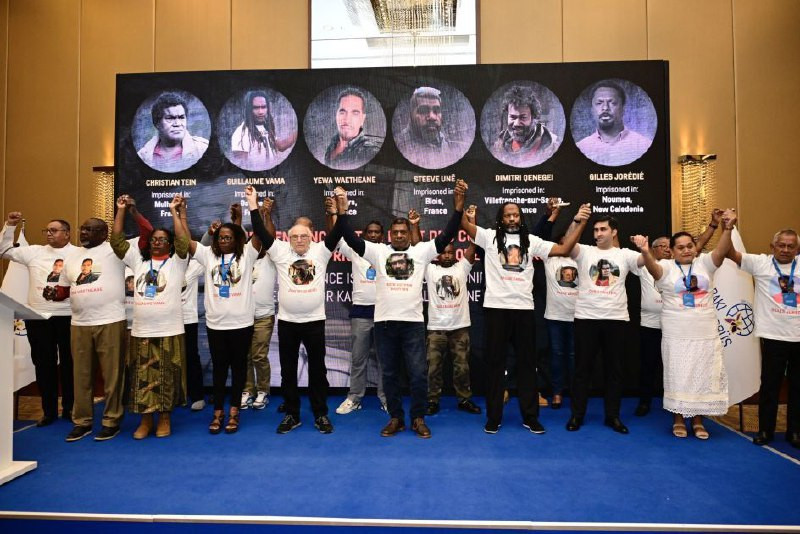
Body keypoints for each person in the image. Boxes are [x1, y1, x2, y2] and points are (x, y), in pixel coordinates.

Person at [337, 181, 467, 438]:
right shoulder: (377, 252)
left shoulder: (421, 252)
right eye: (395, 232)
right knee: (389, 374)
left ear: (408, 234)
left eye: (402, 232)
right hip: (385, 323)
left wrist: (458, 208)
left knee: (418, 374)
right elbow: (351, 238)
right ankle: (396, 418)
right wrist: (342, 212)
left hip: (412, 324)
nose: (398, 235)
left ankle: (418, 418)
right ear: (390, 234)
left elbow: (447, 235)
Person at [461, 200, 590, 434]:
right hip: (496, 309)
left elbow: (563, 250)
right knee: (495, 366)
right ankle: (493, 418)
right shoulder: (489, 237)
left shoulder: (531, 241)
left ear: (520, 218)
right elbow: (466, 226)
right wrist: (459, 203)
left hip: (523, 310)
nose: (512, 219)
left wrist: (581, 223)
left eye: (516, 215)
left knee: (528, 366)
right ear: (501, 219)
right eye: (508, 215)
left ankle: (530, 417)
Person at [245, 187, 346, 434]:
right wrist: (253, 205)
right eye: (295, 236)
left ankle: (320, 414)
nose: (299, 240)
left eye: (304, 236)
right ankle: (292, 414)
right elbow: (260, 231)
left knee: (318, 371)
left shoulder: (321, 252)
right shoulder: (280, 251)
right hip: (288, 322)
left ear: (311, 237)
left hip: (314, 322)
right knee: (288, 371)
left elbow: (339, 232)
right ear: (288, 239)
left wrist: (341, 209)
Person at [631, 209, 737, 439]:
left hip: (705, 333)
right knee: (678, 376)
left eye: (690, 246)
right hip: (676, 333)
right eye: (681, 247)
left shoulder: (705, 264)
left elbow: (721, 250)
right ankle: (678, 419)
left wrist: (727, 228)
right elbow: (652, 269)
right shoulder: (666, 267)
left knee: (702, 375)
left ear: (695, 248)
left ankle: (698, 420)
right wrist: (645, 250)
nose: (687, 250)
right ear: (672, 251)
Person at [173, 194, 261, 435]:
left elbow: (261, 235)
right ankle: (218, 412)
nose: (224, 240)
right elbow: (184, 240)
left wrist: (253, 207)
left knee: (239, 370)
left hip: (242, 324)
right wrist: (179, 213)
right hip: (216, 326)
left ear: (236, 239)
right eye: (221, 237)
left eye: (228, 237)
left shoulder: (247, 255)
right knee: (220, 371)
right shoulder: (208, 256)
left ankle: (234, 411)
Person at [110, 195, 189, 439]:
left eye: (163, 240)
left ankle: (164, 419)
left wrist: (174, 211)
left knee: (167, 376)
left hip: (169, 330)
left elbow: (184, 241)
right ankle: (145, 421)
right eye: (154, 239)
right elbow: (117, 242)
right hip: (142, 330)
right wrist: (121, 210)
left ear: (170, 244)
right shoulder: (139, 261)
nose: (157, 243)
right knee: (142, 376)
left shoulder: (177, 261)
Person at [43, 217, 127, 442]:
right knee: (80, 377)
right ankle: (82, 422)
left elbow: (146, 237)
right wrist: (54, 293)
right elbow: (65, 289)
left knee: (112, 376)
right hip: (79, 323)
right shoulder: (72, 256)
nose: (84, 232)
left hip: (110, 320)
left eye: (90, 229)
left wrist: (124, 211)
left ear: (104, 233)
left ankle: (111, 421)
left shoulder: (115, 250)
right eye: (83, 229)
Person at [566, 215, 645, 434]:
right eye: (595, 230)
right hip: (586, 318)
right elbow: (567, 244)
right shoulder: (585, 251)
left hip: (616, 320)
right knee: (582, 371)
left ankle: (613, 416)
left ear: (614, 232)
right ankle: (577, 415)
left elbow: (644, 262)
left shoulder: (624, 254)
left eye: (603, 229)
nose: (598, 233)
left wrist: (644, 248)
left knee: (614, 372)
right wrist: (577, 222)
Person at [727, 228, 800, 449]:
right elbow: (731, 254)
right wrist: (726, 228)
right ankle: (765, 430)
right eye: (781, 245)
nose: (785, 249)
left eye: (791, 246)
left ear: (797, 249)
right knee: (770, 386)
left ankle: (795, 431)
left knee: (798, 387)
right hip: (772, 335)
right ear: (772, 247)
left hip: (798, 336)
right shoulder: (761, 263)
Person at [1, 213, 75, 427]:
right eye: (47, 230)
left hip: (69, 317)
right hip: (38, 317)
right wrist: (10, 226)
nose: (49, 234)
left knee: (70, 365)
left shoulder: (78, 254)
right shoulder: (34, 252)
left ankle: (70, 409)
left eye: (54, 230)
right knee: (44, 365)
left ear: (67, 234)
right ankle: (48, 411)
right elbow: (3, 250)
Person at [327, 205, 388, 415]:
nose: (373, 235)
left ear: (382, 236)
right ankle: (354, 397)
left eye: (377, 232)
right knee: (358, 359)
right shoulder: (355, 250)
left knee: (385, 360)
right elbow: (334, 238)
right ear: (364, 235)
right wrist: (332, 215)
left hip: (384, 312)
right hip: (361, 312)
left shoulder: (387, 251)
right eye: (369, 232)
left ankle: (386, 398)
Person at [424, 208, 480, 416]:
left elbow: (473, 246)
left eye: (450, 252)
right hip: (436, 329)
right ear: (438, 254)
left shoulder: (461, 268)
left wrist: (472, 221)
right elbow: (417, 248)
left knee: (462, 368)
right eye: (443, 252)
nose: (447, 255)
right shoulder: (430, 269)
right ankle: (432, 400)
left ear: (455, 253)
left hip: (459, 328)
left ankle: (464, 399)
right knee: (433, 368)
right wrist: (414, 226)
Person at [241, 201, 277, 411]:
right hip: (243, 316)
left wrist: (266, 215)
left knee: (259, 355)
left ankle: (263, 390)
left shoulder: (270, 259)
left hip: (264, 316)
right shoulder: (244, 259)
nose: (260, 245)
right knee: (244, 355)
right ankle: (247, 390)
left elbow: (269, 236)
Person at [634, 235, 671, 417]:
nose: (667, 249)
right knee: (648, 366)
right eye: (662, 245)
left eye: (669, 246)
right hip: (649, 324)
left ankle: (673, 402)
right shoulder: (644, 266)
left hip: (674, 324)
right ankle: (644, 402)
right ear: (654, 249)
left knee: (673, 366)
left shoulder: (678, 267)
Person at [543, 232, 580, 411]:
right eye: (566, 240)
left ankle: (575, 392)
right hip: (555, 317)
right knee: (556, 355)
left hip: (578, 316)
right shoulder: (550, 259)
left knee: (574, 356)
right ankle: (557, 392)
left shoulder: (581, 259)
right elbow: (541, 235)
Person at [575, 81, 652, 166]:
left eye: (612, 103)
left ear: (623, 109)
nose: (605, 108)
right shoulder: (582, 147)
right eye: (599, 103)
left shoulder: (643, 145)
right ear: (592, 110)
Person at [394, 86, 466, 169]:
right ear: (411, 115)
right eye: (423, 110)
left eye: (436, 110)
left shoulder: (444, 142)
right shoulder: (400, 144)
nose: (432, 117)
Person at [137, 92, 209, 172]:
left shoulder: (202, 149)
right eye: (170, 118)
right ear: (157, 123)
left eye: (181, 117)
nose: (177, 124)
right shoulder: (143, 155)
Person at [492, 85, 559, 167]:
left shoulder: (551, 147)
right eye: (512, 117)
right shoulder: (498, 146)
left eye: (523, 117)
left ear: (534, 117)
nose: (516, 123)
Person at [230, 90, 295, 171]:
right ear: (249, 109)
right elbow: (243, 166)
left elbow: (280, 146)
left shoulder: (266, 126)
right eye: (256, 108)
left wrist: (296, 134)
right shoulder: (241, 133)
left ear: (267, 108)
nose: (261, 112)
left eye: (263, 107)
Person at [323, 88, 381, 170]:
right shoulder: (332, 144)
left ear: (362, 119)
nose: (347, 119)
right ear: (336, 115)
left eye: (355, 113)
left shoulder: (369, 152)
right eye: (342, 112)